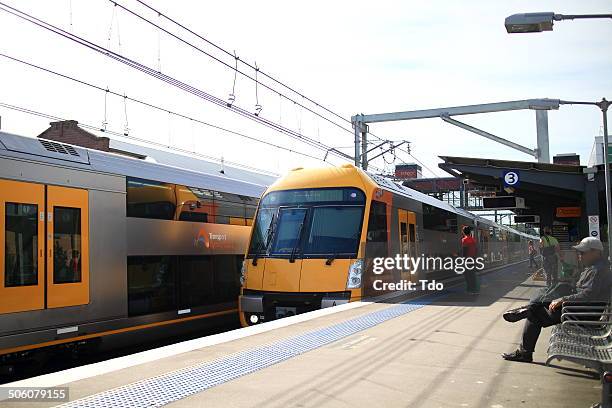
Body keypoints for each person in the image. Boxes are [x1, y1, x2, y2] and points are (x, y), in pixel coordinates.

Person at [501, 237, 611, 363]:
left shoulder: (598, 271)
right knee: (544, 301)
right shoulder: (596, 267)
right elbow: (586, 293)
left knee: (534, 316)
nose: (579, 256)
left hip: (581, 314)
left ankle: (525, 344)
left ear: (595, 252)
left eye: (583, 253)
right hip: (580, 310)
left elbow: (587, 295)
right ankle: (528, 311)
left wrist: (563, 299)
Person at [461, 225, 479, 294]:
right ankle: (474, 289)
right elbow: (476, 249)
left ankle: (469, 289)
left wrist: (463, 260)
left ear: (463, 232)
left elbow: (464, 250)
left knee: (467, 275)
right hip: (473, 259)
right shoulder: (473, 239)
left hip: (467, 259)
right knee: (472, 274)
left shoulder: (464, 240)